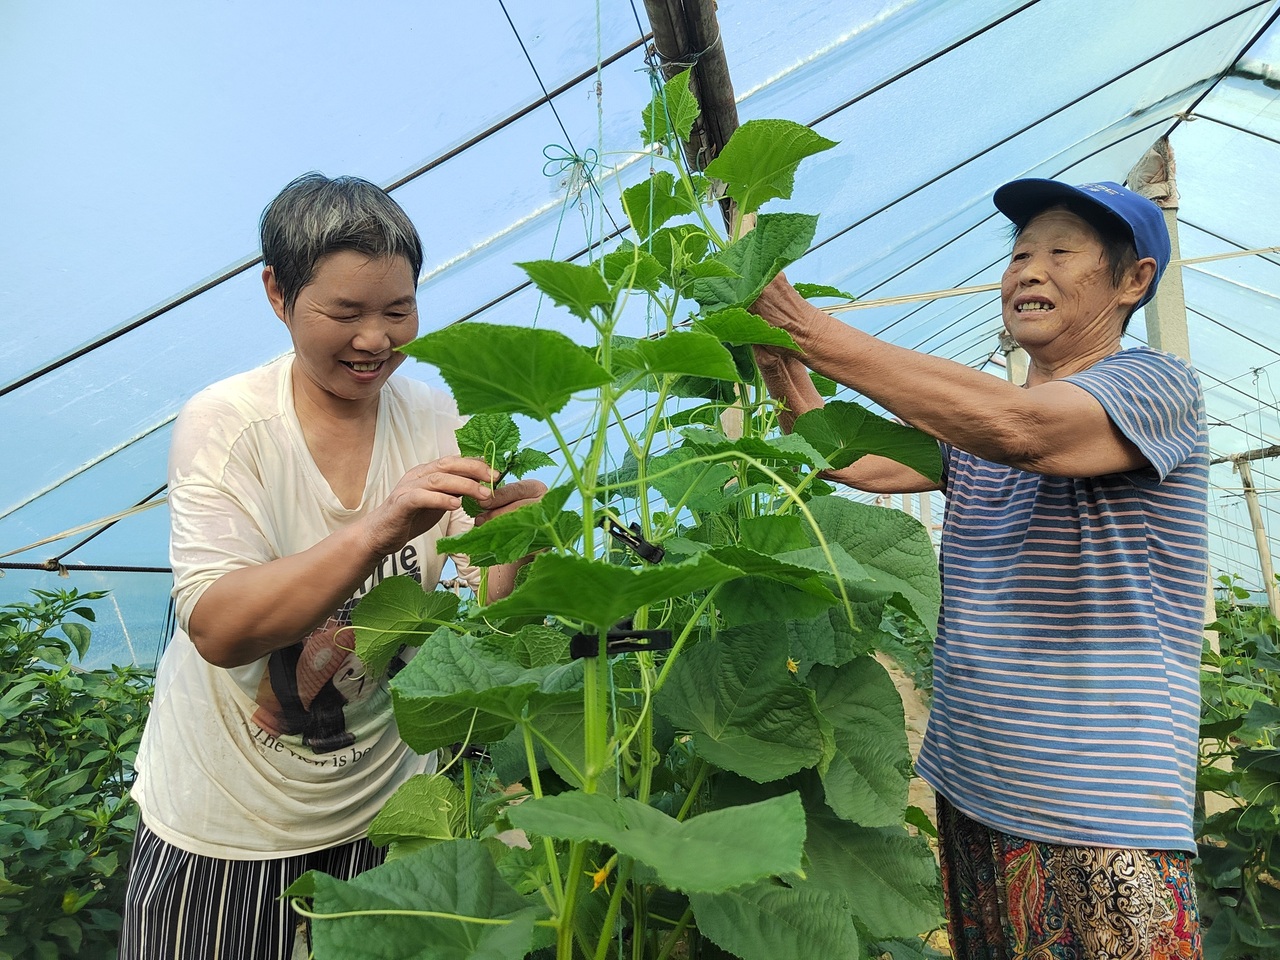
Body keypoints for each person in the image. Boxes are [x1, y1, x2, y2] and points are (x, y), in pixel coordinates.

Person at [749, 179, 1207, 959]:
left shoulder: (1155, 385)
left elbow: (1025, 430)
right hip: (977, 783)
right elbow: (850, 459)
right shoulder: (977, 425)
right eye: (1020, 255)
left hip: (1094, 798)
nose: (1030, 270)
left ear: (1134, 281)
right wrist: (778, 358)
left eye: (1061, 252)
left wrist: (811, 330)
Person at [120, 173, 545, 959]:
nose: (376, 339)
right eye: (345, 313)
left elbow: (482, 613)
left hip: (386, 811)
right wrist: (378, 531)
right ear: (278, 294)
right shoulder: (231, 425)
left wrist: (510, 545)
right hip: (229, 821)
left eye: (398, 310)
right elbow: (218, 626)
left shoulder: (437, 416)